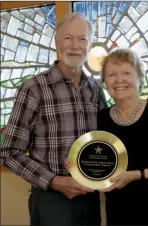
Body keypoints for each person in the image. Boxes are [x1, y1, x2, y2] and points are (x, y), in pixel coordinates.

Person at [0, 13, 107, 226]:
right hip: (51, 199)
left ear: (89, 45)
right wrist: (55, 181)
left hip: (91, 198)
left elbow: (106, 141)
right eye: (67, 38)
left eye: (82, 39)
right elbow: (9, 151)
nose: (75, 45)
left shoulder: (95, 89)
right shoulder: (34, 88)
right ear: (56, 43)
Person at [66, 48, 148, 225]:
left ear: (139, 78)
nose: (119, 80)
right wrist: (78, 166)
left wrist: (137, 175)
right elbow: (97, 163)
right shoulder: (100, 118)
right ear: (104, 82)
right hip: (119, 210)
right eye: (111, 74)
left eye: (126, 72)